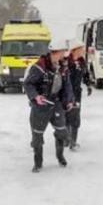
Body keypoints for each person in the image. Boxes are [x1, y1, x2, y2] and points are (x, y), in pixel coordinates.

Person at [24, 38, 74, 172]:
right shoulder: (39, 66)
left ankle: (60, 156)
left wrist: (69, 101)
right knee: (37, 137)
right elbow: (28, 84)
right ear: (55, 52)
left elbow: (67, 86)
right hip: (41, 106)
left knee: (62, 132)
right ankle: (38, 162)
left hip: (56, 104)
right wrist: (36, 96)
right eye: (63, 51)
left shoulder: (63, 67)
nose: (64, 54)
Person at [64, 40, 92, 151]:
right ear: (75, 50)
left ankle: (73, 142)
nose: (83, 50)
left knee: (75, 118)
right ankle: (66, 138)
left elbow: (86, 75)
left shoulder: (82, 62)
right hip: (65, 94)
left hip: (77, 93)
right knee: (66, 117)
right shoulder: (65, 62)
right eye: (82, 48)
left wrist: (88, 85)